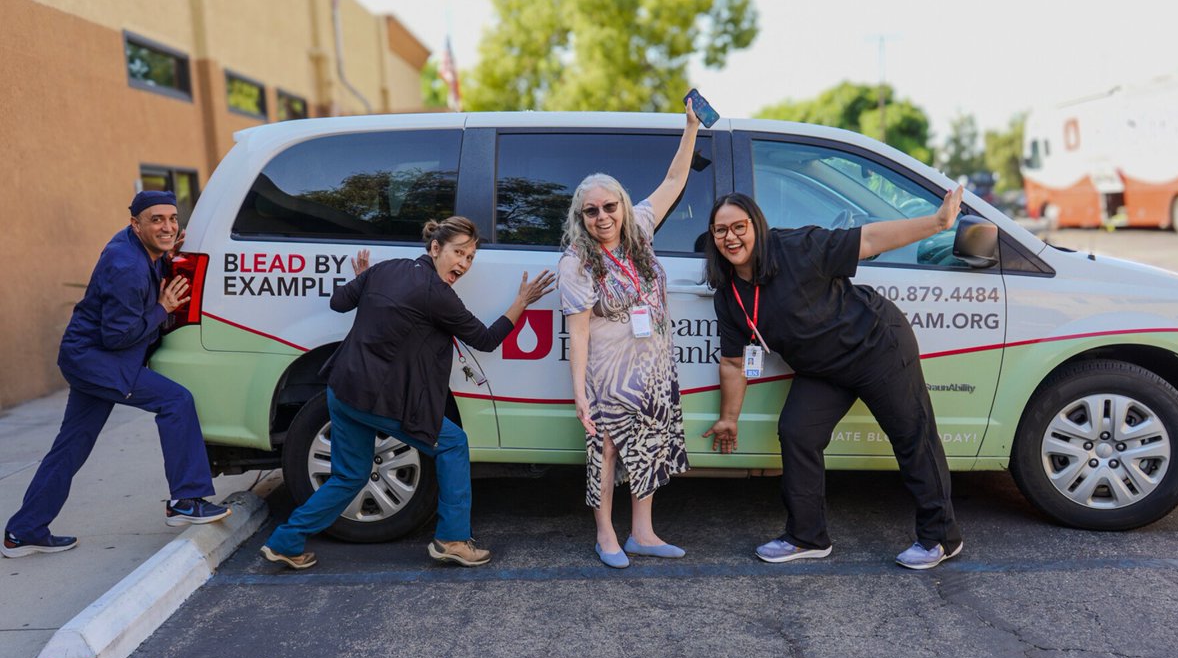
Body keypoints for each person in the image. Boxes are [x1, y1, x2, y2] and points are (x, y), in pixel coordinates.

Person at [260, 217, 555, 570]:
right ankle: (453, 540)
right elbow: (486, 340)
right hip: (379, 400)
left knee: (349, 477)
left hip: (342, 389)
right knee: (453, 443)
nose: (463, 263)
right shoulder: (436, 294)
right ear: (435, 248)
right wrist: (522, 301)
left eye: (470, 257)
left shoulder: (386, 269)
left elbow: (339, 302)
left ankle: (285, 541)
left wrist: (362, 279)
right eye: (458, 253)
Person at [700, 188, 966, 570]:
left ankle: (941, 537)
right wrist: (729, 417)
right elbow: (733, 362)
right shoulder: (728, 295)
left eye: (739, 226)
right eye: (720, 230)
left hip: (876, 346)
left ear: (756, 225)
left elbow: (870, 238)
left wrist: (938, 223)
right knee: (798, 432)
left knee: (912, 435)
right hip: (824, 369)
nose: (731, 237)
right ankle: (807, 536)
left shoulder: (797, 247)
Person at [3, 191, 230, 558]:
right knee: (176, 401)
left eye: (172, 219)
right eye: (156, 220)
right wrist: (162, 308)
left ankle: (23, 530)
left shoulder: (137, 248)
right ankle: (186, 500)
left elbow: (149, 270)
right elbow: (117, 336)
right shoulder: (126, 266)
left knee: (71, 446)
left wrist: (168, 254)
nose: (167, 226)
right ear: (135, 224)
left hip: (87, 358)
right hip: (99, 361)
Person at [557, 99, 700, 568]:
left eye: (609, 206)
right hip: (610, 367)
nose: (603, 217)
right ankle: (606, 536)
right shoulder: (576, 263)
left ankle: (643, 532)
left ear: (621, 203)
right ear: (581, 218)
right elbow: (577, 334)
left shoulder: (639, 227)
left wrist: (691, 126)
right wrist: (579, 392)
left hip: (653, 363)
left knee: (651, 442)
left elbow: (675, 181)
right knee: (609, 448)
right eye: (592, 211)